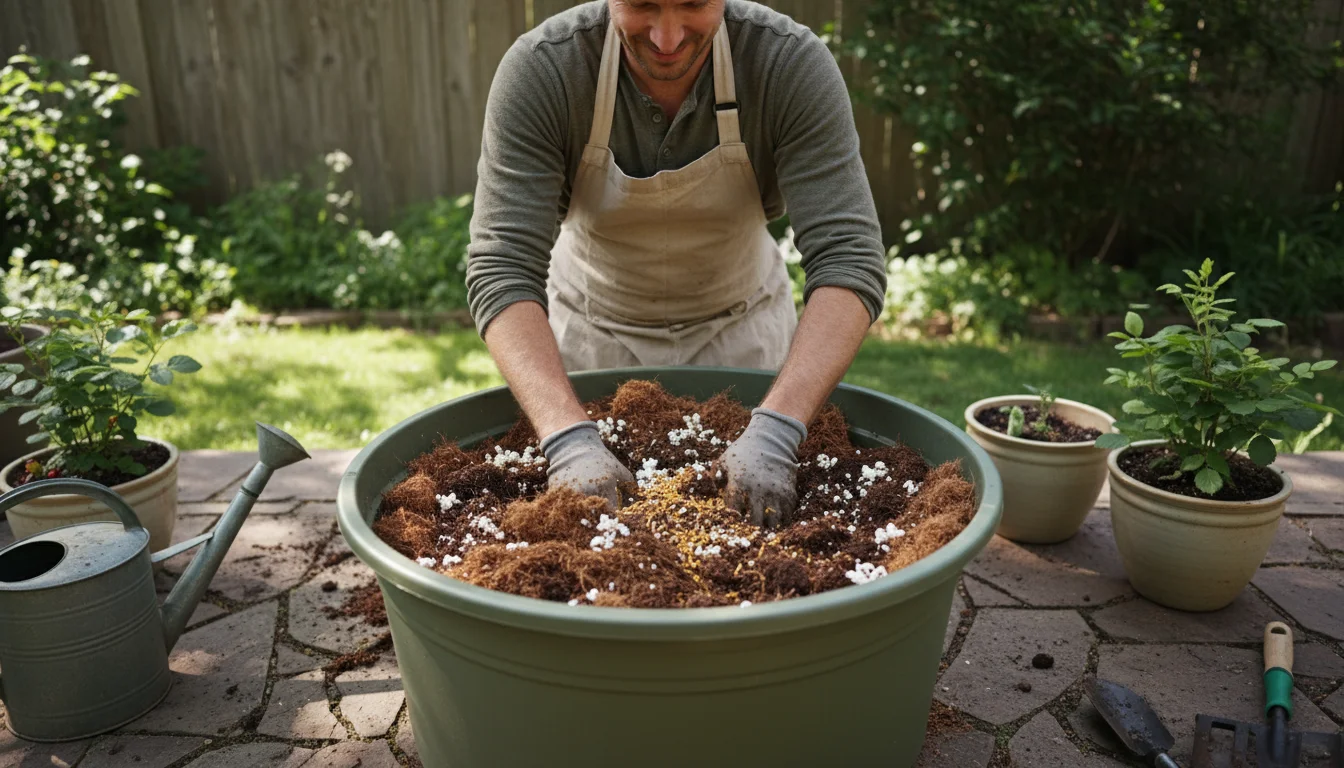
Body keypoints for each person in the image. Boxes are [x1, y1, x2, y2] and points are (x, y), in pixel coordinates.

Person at [465, 0, 886, 526]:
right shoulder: (547, 68)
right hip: (592, 354)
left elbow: (849, 257)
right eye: (642, 5)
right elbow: (502, 266)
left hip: (745, 347)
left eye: (694, 3)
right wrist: (567, 438)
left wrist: (778, 430)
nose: (667, 38)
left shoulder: (787, 65)